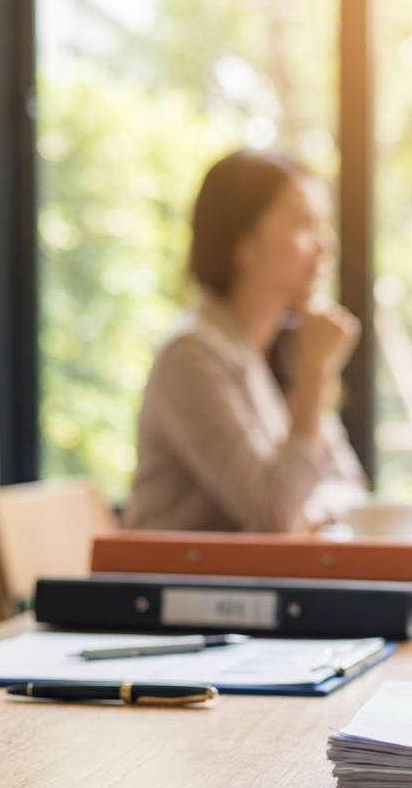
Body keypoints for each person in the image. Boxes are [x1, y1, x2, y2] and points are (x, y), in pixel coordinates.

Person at [125, 150, 367, 532]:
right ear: (243, 242)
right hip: (190, 590)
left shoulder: (273, 350)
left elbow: (351, 488)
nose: (326, 247)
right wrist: (316, 375)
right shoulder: (190, 356)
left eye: (324, 225)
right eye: (305, 224)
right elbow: (273, 517)